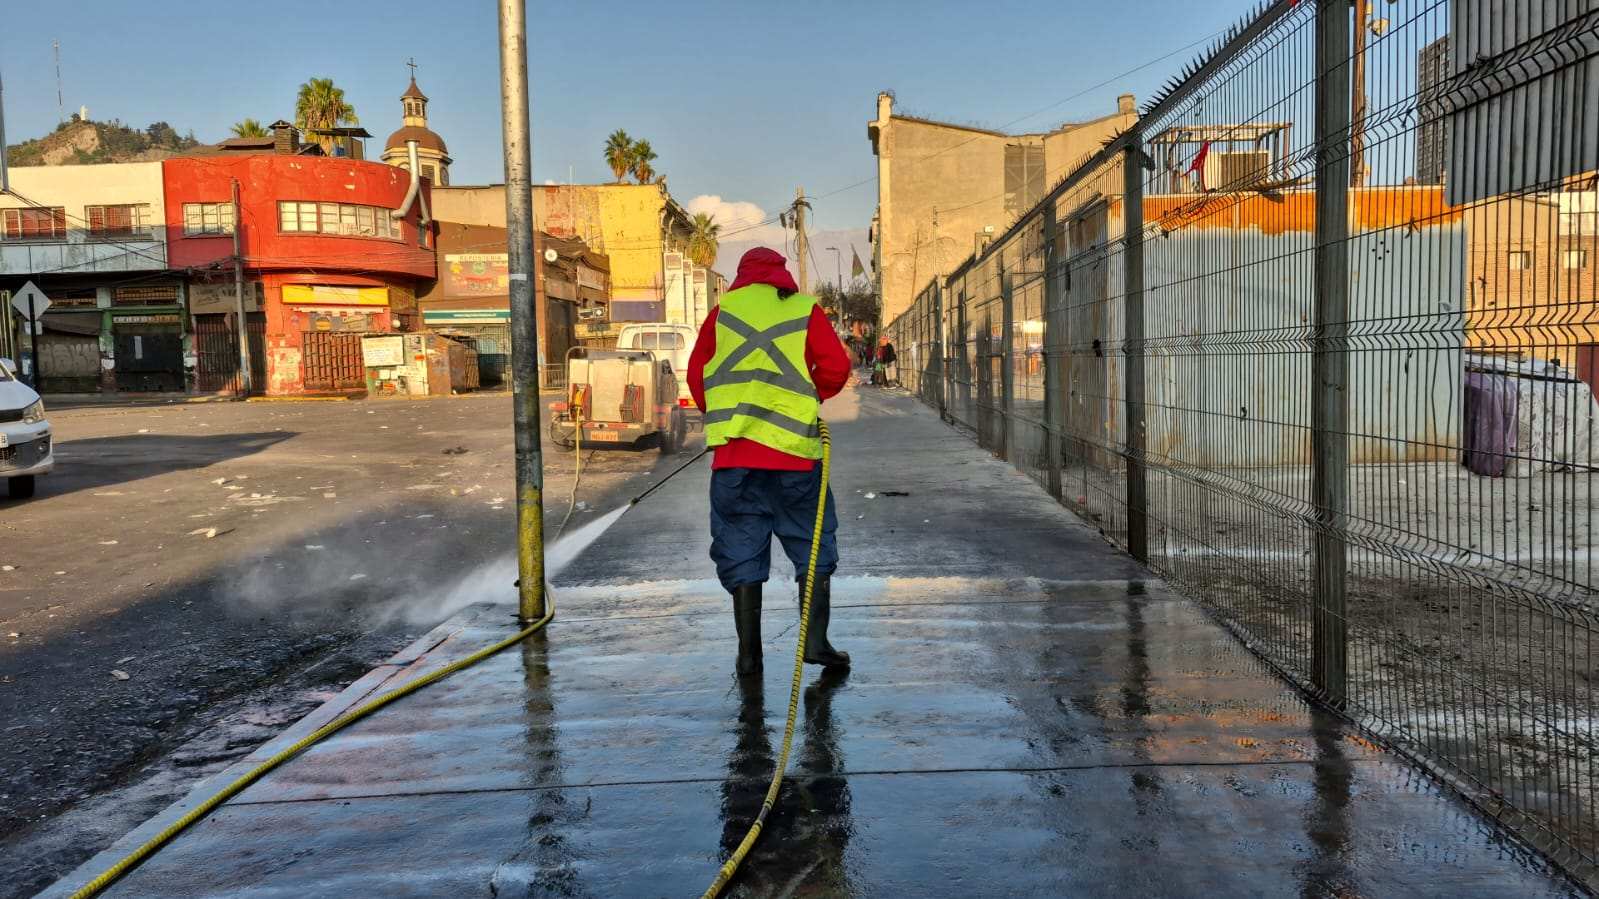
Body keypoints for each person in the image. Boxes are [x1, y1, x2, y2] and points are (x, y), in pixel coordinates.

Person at [688, 247, 852, 676]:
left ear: (742, 276)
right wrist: (806, 399)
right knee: (811, 542)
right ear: (781, 275)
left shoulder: (722, 312)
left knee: (740, 546)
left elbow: (697, 374)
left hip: (735, 459)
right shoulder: (804, 309)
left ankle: (749, 655)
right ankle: (815, 642)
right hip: (796, 456)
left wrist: (726, 413)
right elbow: (835, 368)